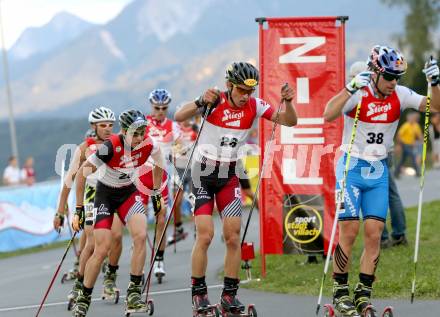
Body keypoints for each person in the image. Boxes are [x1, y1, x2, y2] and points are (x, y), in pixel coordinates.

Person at [323, 46, 439, 316]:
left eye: (397, 76)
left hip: (378, 169)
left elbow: (435, 107)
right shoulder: (359, 92)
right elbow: (328, 114)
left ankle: (363, 294)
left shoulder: (399, 94)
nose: (393, 82)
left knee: (374, 234)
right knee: (349, 231)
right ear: (375, 73)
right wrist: (349, 87)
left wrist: (435, 83)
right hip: (351, 166)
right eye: (389, 76)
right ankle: (340, 291)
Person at [175, 62, 297, 314]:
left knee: (233, 236)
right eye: (241, 90)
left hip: (229, 174)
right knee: (206, 235)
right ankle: (199, 294)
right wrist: (199, 102)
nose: (246, 96)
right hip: (203, 174)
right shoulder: (214, 99)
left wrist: (289, 103)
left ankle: (229, 295)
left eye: (250, 91)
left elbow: (289, 122)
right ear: (229, 85)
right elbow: (178, 116)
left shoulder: (255, 105)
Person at [71, 110, 164, 316]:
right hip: (105, 195)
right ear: (123, 131)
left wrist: (156, 192)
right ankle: (84, 297)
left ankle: (133, 293)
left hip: (129, 193)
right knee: (102, 248)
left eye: (143, 133)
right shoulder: (110, 146)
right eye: (135, 134)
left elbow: (159, 164)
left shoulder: (149, 144)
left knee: (140, 236)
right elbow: (81, 175)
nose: (140, 138)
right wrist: (78, 209)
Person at [53, 107, 124, 307]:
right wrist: (61, 211)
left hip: (115, 192)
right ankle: (79, 282)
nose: (108, 129)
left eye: (111, 125)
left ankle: (110, 278)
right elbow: (70, 180)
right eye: (103, 125)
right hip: (94, 195)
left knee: (117, 236)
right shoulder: (85, 147)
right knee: (92, 241)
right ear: (94, 126)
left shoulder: (118, 143)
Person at [349, 61, 409, 249]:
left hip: (375, 154)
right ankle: (394, 234)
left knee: (380, 192)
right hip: (381, 152)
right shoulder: (367, 95)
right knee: (388, 192)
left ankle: (388, 235)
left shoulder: (367, 95)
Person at [145, 88, 182, 281]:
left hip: (162, 178)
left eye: (164, 108)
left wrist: (180, 150)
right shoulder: (142, 123)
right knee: (139, 221)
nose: (160, 111)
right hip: (141, 177)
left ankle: (159, 260)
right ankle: (140, 253)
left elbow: (182, 147)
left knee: (161, 218)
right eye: (157, 107)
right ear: (151, 106)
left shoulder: (173, 126)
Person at [169, 112, 198, 244]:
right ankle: (179, 228)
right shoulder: (175, 129)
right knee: (176, 200)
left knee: (194, 201)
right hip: (178, 169)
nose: (186, 120)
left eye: (188, 117)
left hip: (193, 169)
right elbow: (171, 146)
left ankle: (197, 228)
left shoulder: (195, 128)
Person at [395, 111, 422, 178]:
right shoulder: (406, 126)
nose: (412, 119)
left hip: (411, 145)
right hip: (405, 144)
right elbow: (399, 135)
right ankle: (418, 172)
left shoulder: (416, 125)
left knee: (403, 159)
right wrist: (399, 144)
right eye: (411, 118)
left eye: (413, 118)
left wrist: (422, 141)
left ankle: (396, 173)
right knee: (413, 156)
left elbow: (419, 134)